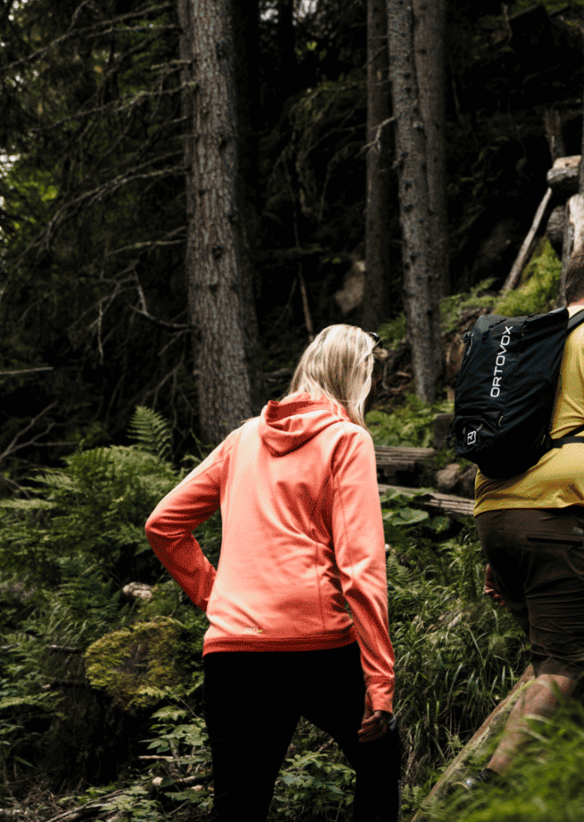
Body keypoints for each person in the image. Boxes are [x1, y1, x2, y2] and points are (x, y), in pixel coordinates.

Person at [144, 325, 399, 821]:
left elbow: (163, 526)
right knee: (380, 759)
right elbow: (361, 568)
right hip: (317, 648)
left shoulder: (242, 439)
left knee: (238, 805)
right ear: (358, 375)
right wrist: (380, 681)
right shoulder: (347, 440)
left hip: (234, 652)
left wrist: (215, 597)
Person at [469, 250, 584, 784]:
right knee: (564, 661)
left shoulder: (523, 337)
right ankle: (488, 785)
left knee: (548, 654)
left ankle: (550, 780)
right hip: (560, 511)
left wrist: (496, 550)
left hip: (493, 512)